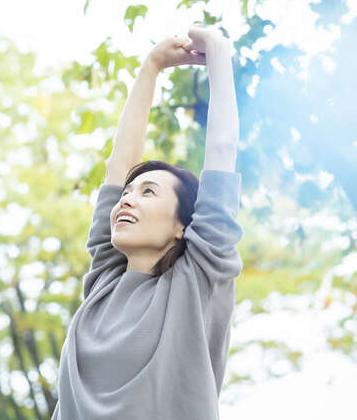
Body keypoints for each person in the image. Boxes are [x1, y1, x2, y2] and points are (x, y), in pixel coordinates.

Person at [52, 25, 244, 420]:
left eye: (149, 192)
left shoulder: (196, 281)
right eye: (127, 192)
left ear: (182, 226)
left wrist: (218, 52)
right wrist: (151, 67)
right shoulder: (105, 282)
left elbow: (223, 150)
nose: (126, 198)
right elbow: (118, 164)